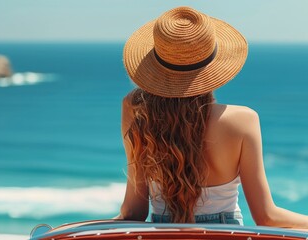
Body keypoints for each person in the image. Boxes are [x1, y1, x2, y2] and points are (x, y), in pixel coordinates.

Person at [115, 6, 308, 228]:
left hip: (161, 233)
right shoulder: (243, 120)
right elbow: (267, 217)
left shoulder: (135, 110)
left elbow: (133, 211)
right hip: (226, 233)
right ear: (212, 66)